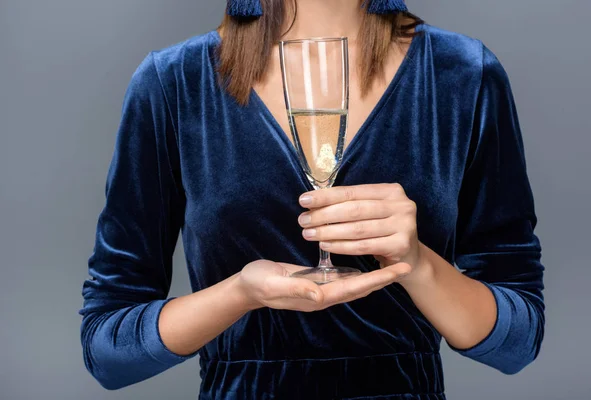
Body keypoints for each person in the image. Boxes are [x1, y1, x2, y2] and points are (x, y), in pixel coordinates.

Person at [79, 0, 545, 398]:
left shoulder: (464, 73)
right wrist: (240, 294)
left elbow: (518, 342)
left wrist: (418, 263)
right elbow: (108, 350)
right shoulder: (173, 82)